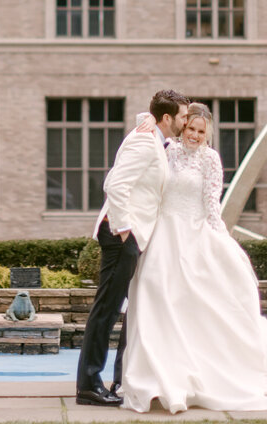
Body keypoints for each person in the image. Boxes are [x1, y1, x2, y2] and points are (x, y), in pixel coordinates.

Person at [119, 102, 267, 413]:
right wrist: (146, 118)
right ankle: (156, 378)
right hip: (163, 236)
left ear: (207, 134)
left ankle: (197, 377)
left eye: (201, 132)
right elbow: (148, 125)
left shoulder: (211, 160)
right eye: (191, 129)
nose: (195, 136)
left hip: (194, 235)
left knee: (198, 306)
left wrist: (224, 242)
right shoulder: (167, 148)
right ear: (183, 127)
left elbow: (212, 204)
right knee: (152, 296)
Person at [75, 89, 190, 407]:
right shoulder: (144, 141)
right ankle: (88, 384)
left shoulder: (154, 137)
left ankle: (116, 380)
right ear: (167, 118)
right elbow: (115, 183)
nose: (185, 121)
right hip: (121, 235)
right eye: (182, 116)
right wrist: (124, 229)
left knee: (119, 310)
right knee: (106, 311)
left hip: (133, 237)